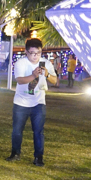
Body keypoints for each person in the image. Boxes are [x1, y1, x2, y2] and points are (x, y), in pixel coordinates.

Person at [5, 38, 57, 167]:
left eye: (38, 53)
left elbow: (55, 81)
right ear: (26, 52)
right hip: (21, 102)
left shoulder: (45, 63)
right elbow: (20, 80)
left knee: (38, 131)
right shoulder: (20, 63)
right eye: (32, 53)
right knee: (17, 130)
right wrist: (34, 75)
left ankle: (38, 157)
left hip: (39, 102)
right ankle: (15, 153)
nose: (35, 56)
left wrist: (47, 75)